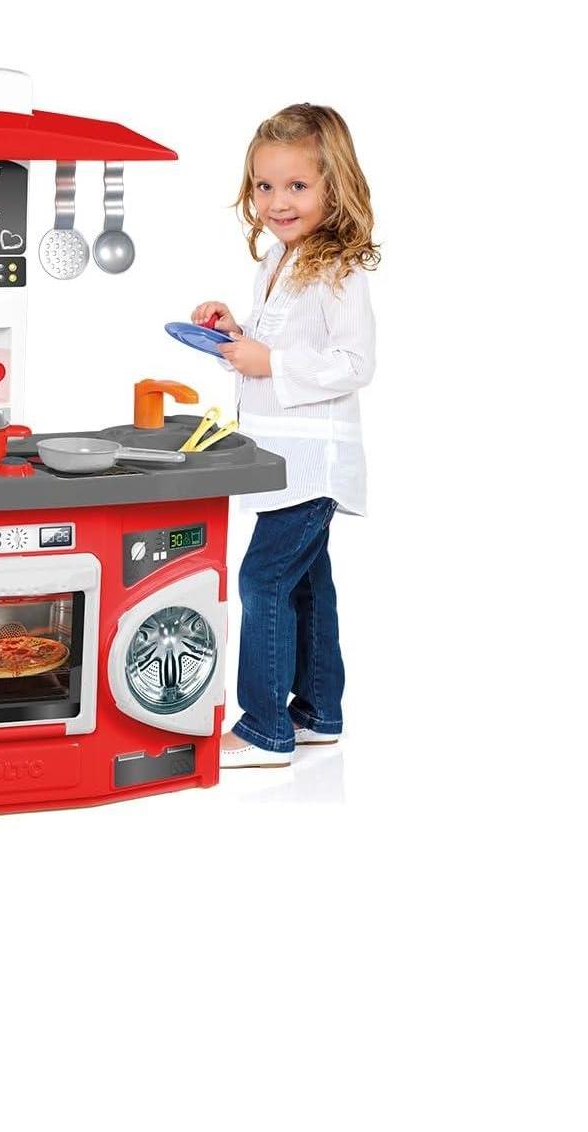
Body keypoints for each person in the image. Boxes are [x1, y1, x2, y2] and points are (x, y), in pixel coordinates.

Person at [192, 103, 378, 768]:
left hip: (312, 464)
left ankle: (265, 729)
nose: (277, 202)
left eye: (297, 185)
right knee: (305, 585)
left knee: (262, 582)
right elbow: (276, 348)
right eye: (265, 186)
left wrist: (269, 361)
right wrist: (235, 335)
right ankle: (318, 712)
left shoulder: (337, 270)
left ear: (335, 185)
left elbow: (355, 364)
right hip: (280, 461)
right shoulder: (278, 260)